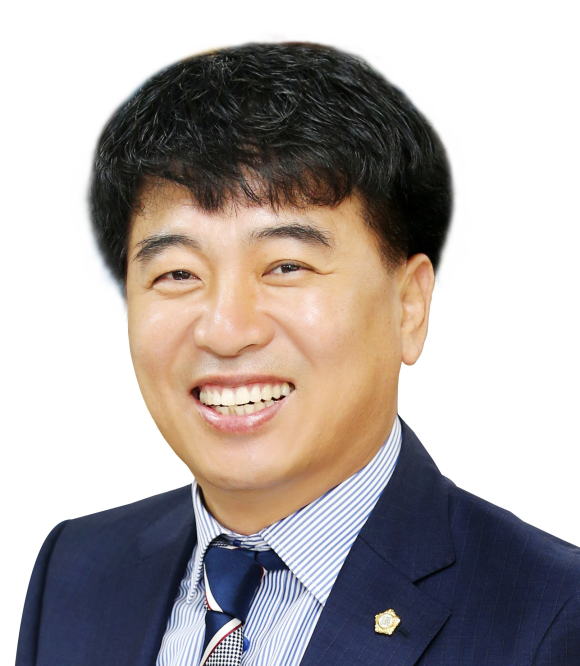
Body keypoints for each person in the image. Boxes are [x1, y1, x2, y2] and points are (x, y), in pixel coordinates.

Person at [16, 42, 580, 666]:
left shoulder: (552, 617)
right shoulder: (76, 571)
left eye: (286, 266)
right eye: (178, 273)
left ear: (409, 306)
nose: (226, 330)